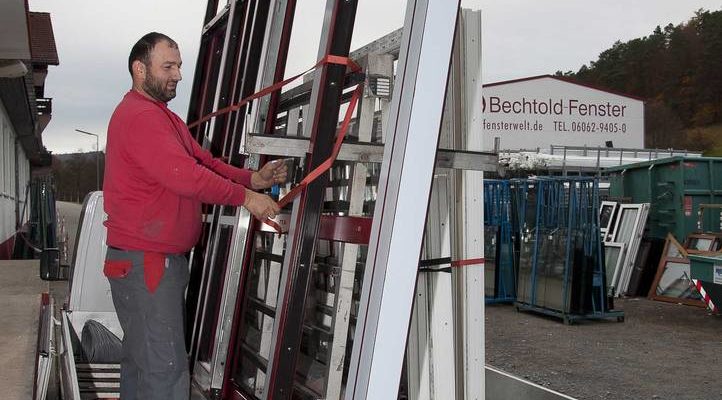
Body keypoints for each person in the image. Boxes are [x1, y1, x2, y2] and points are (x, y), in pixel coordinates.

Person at [102, 32, 285, 400]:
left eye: (179, 65)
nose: (178, 75)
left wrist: (253, 178)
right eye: (168, 66)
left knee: (144, 363)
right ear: (140, 70)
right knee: (164, 371)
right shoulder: (141, 118)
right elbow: (185, 176)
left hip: (145, 262)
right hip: (148, 264)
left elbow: (203, 162)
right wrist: (246, 197)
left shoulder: (161, 117)